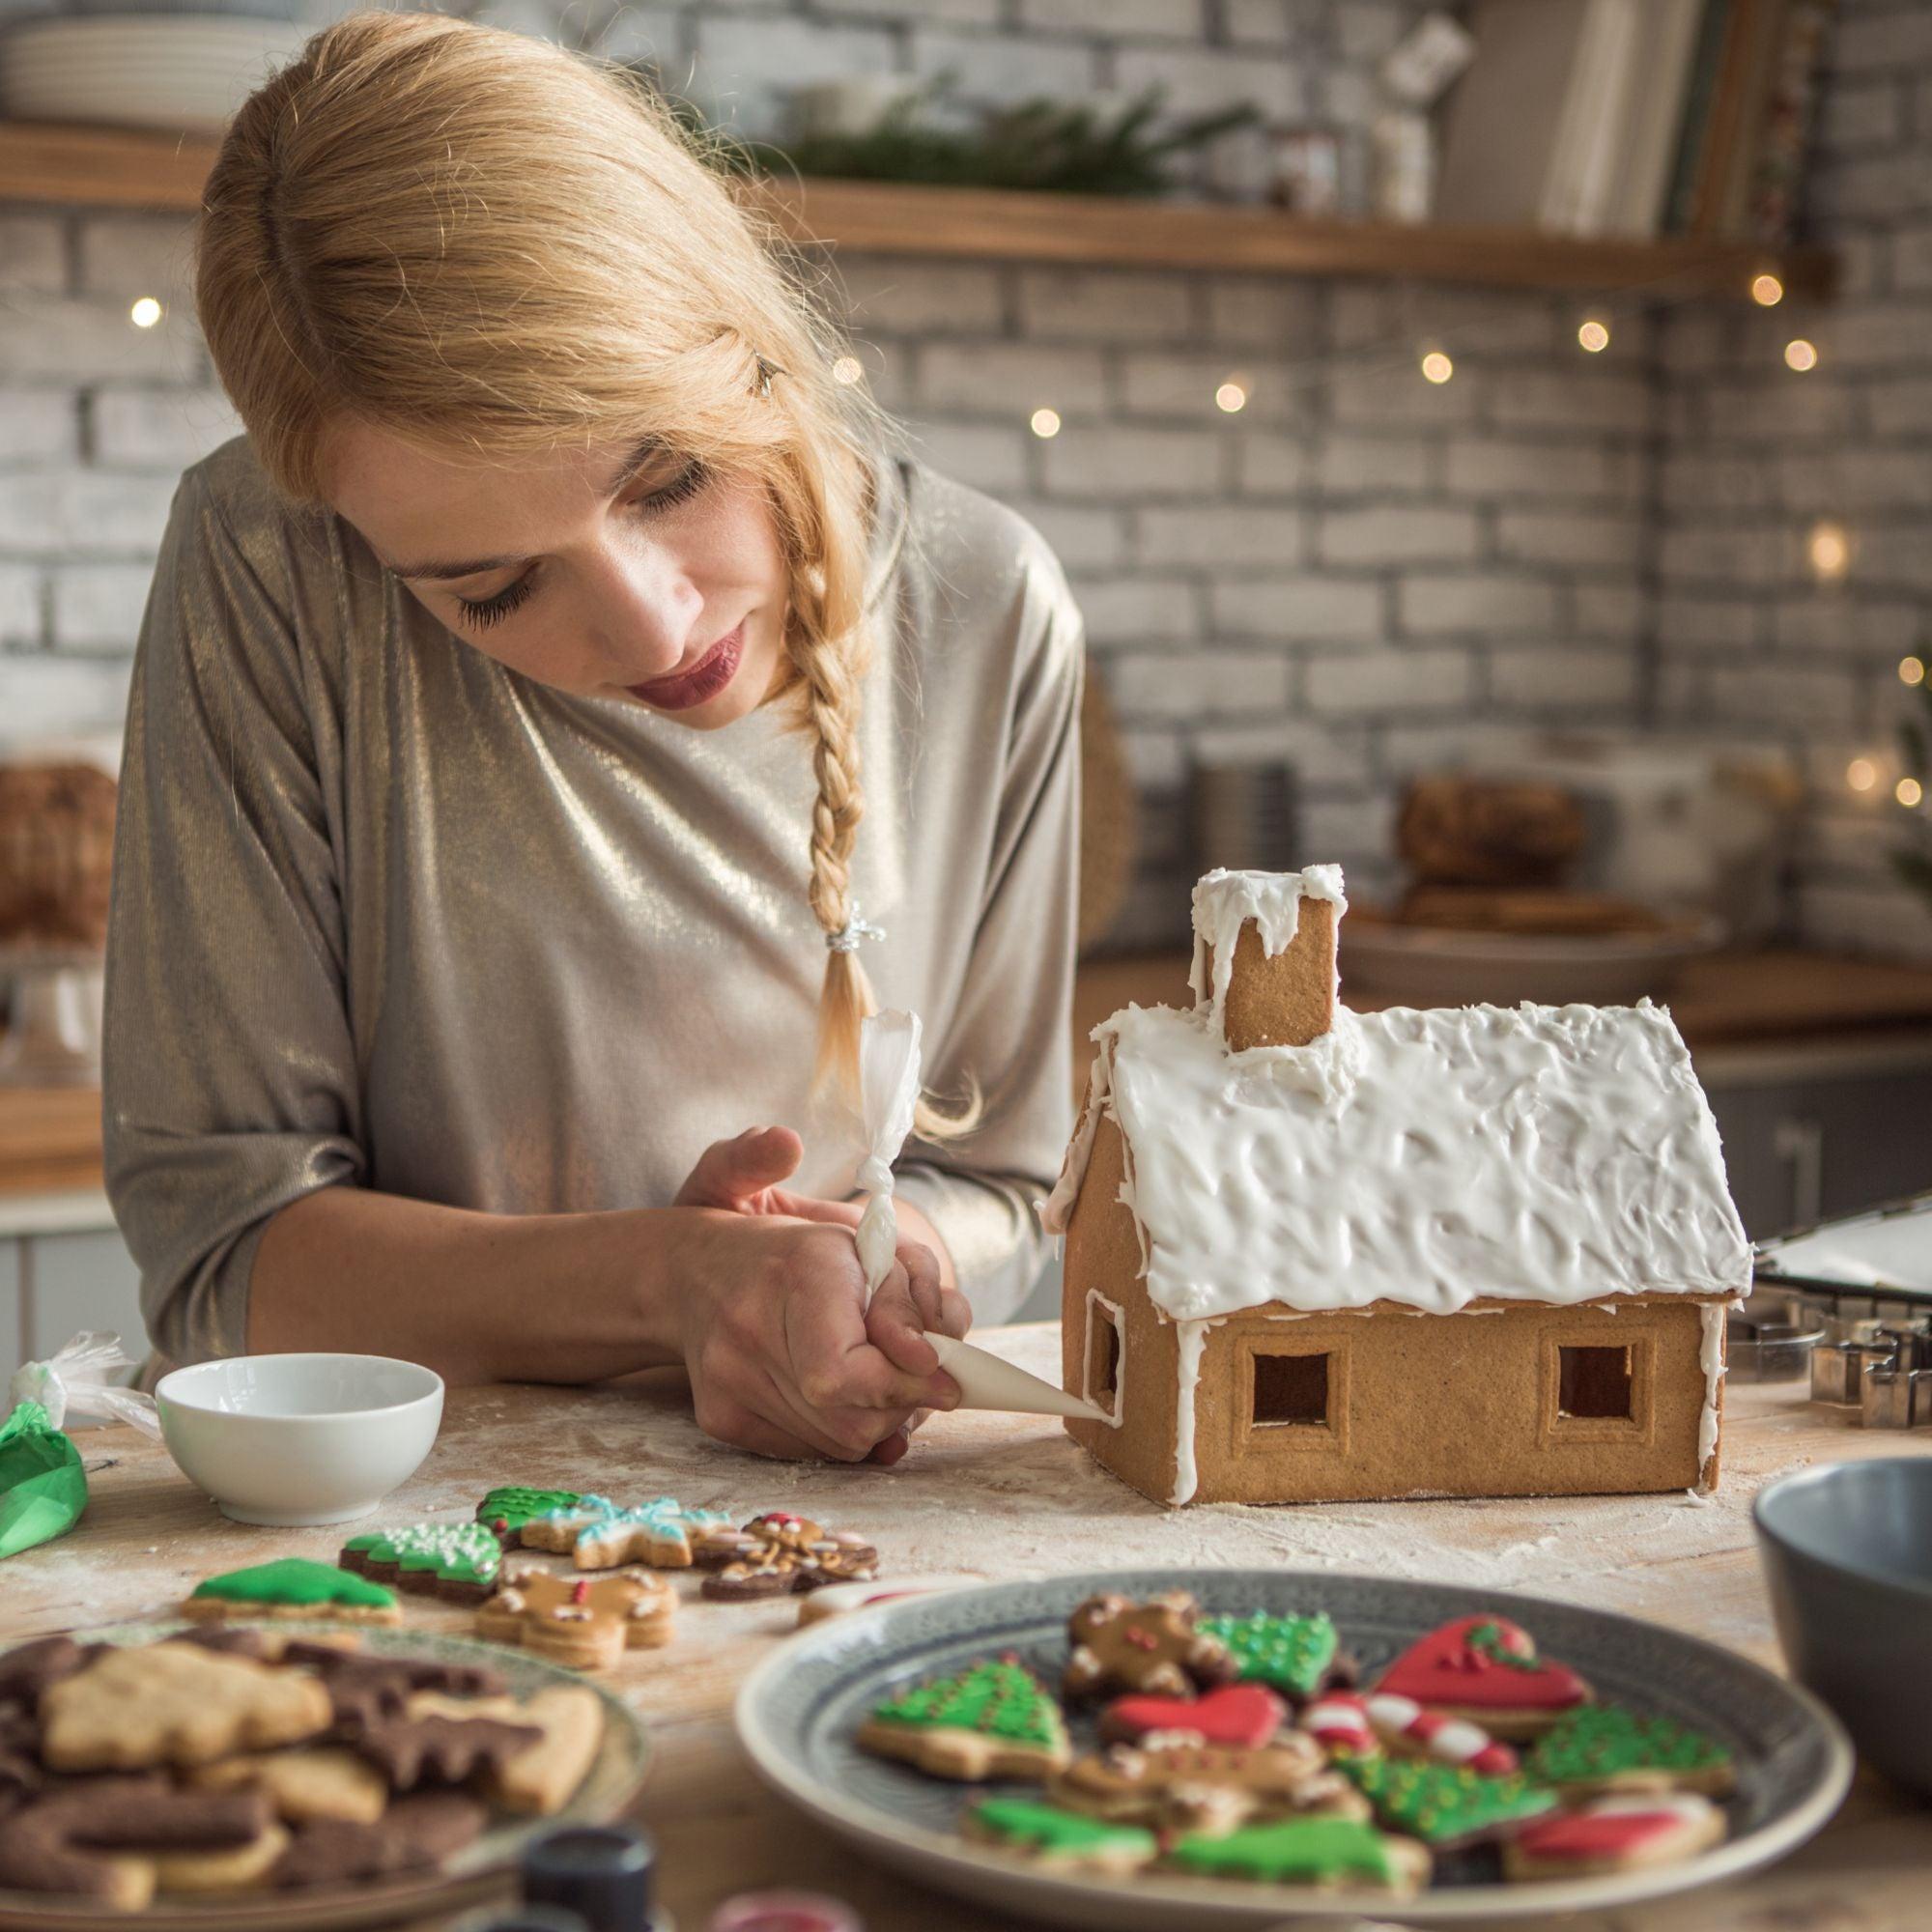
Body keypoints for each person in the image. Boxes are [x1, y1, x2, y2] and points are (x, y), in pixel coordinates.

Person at [100, 12, 1083, 1468]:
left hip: (822, 1528)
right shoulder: (271, 565)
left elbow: (1003, 1187)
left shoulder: (986, 599)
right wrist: (662, 1280)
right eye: (494, 590)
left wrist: (855, 1277)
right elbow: (220, 1259)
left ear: (740, 327)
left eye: (671, 476)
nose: (652, 628)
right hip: (394, 1526)